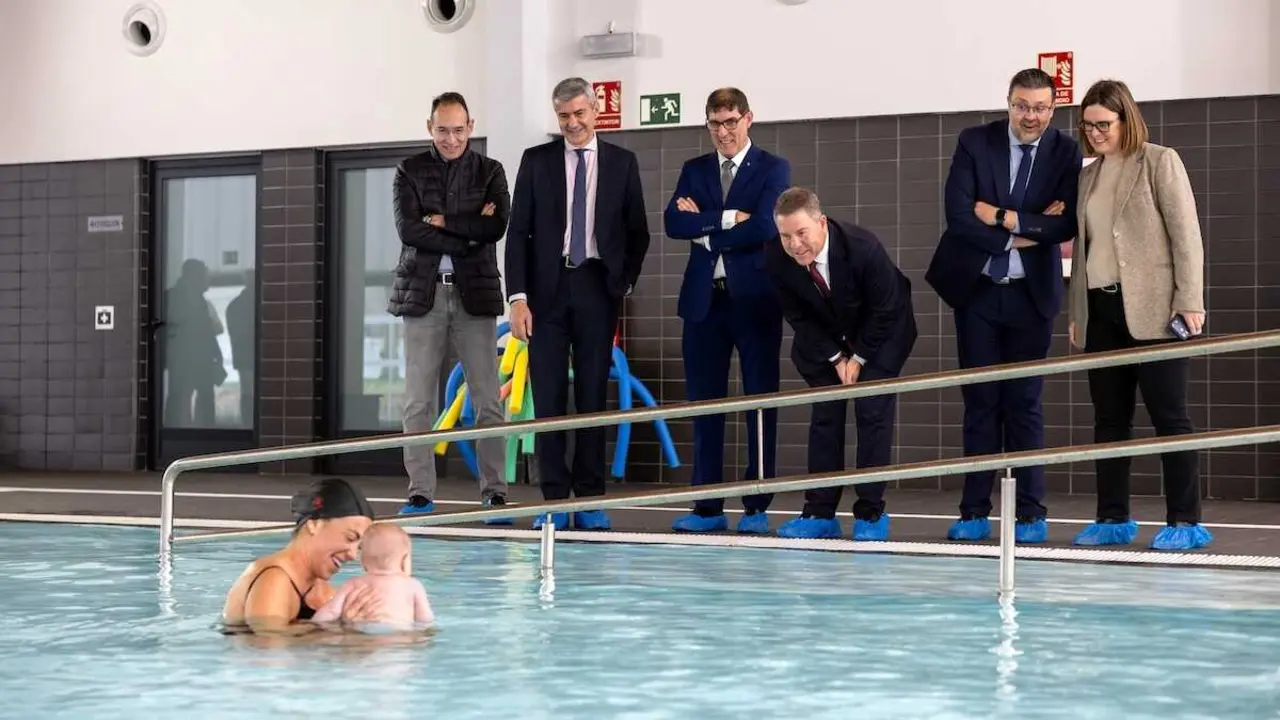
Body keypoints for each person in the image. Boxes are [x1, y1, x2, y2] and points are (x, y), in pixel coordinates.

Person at [925, 68, 1083, 544]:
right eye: (1021, 105)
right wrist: (1027, 229)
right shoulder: (976, 141)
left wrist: (998, 215)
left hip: (1032, 298)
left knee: (1025, 404)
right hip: (976, 294)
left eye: (1039, 108)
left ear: (1053, 110)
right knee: (980, 402)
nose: (1029, 116)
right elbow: (957, 215)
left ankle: (1031, 514)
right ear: (1008, 103)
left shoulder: (1065, 151)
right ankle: (974, 511)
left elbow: (1067, 225)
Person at [1067, 79, 1211, 551]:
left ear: (1126, 119)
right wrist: (1078, 313)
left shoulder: (1159, 161)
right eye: (1087, 126)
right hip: (1101, 309)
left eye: (1103, 124)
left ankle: (1185, 521)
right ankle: (1112, 517)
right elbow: (1085, 252)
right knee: (1109, 421)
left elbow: (1186, 236)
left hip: (1154, 308)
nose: (1094, 134)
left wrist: (1189, 300)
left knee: (1170, 418)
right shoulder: (1087, 176)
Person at [505, 77, 651, 531]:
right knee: (547, 399)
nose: (572, 123)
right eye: (564, 116)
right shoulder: (536, 161)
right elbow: (518, 235)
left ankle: (589, 499)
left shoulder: (623, 163)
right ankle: (551, 499)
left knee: (592, 395)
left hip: (597, 289)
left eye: (579, 114)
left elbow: (638, 232)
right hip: (545, 294)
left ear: (596, 111)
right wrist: (518, 299)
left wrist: (622, 283)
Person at [663, 88, 789, 534]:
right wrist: (725, 218)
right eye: (715, 124)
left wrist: (707, 229)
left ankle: (756, 504)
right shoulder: (694, 169)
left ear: (748, 119)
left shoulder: (773, 168)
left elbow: (763, 225)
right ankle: (707, 505)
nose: (724, 132)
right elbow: (672, 223)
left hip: (754, 302)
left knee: (759, 403)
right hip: (704, 302)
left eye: (731, 122)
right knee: (705, 405)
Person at [765, 188, 917, 540]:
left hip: (883, 331)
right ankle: (820, 512)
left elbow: (885, 311)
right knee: (826, 413)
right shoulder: (775, 256)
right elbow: (798, 317)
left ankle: (870, 513)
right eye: (786, 236)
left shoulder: (863, 247)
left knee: (872, 411)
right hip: (824, 337)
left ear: (821, 223)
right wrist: (836, 358)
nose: (795, 244)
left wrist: (859, 358)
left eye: (801, 233)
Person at [388, 92, 512, 524]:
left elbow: (496, 225)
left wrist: (443, 222)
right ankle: (420, 493)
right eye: (443, 130)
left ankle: (495, 492)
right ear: (430, 127)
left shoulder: (490, 170)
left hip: (473, 294)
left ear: (471, 126)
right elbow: (409, 230)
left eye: (459, 130)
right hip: (423, 294)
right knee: (417, 401)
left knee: (487, 398)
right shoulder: (410, 170)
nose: (451, 138)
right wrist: (468, 232)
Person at [221, 478, 380, 635]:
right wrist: (338, 631)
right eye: (350, 538)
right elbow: (266, 649)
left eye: (359, 547)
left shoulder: (322, 589)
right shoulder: (274, 580)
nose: (353, 555)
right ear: (314, 525)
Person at [311, 523, 434, 630]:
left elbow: (331, 611)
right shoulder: (413, 585)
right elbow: (425, 620)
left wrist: (314, 626)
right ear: (405, 559)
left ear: (363, 561)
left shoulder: (354, 584)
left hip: (364, 633)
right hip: (399, 636)